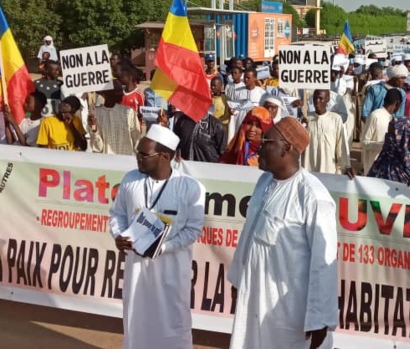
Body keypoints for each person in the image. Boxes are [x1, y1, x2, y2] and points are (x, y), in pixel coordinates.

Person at [229, 117, 338, 349]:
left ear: (286, 148)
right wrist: (238, 280)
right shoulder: (264, 182)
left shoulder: (312, 196)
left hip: (288, 311)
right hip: (254, 297)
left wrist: (319, 319)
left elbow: (324, 263)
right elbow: (249, 234)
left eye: (266, 141)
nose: (259, 146)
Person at [109, 125, 205, 349]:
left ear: (164, 157)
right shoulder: (130, 180)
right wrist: (119, 235)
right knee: (136, 320)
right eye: (137, 152)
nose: (138, 158)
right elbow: (117, 214)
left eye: (144, 154)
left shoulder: (191, 187)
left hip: (172, 270)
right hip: (137, 269)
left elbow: (193, 230)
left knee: (174, 324)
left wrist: (163, 247)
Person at [302, 90, 351, 175]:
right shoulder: (307, 119)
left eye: (320, 98)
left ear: (327, 99)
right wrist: (301, 128)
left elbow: (341, 146)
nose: (317, 101)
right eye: (315, 98)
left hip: (329, 172)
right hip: (309, 172)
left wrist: (341, 169)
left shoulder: (335, 119)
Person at [88, 80, 140, 155]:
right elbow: (98, 148)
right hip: (108, 160)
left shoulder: (128, 113)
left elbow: (137, 141)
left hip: (124, 159)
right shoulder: (96, 114)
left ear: (104, 95)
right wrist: (94, 128)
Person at [358, 89, 403, 175]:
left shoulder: (392, 119)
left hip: (386, 169)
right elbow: (363, 142)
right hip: (372, 167)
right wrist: (383, 145)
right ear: (397, 104)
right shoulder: (375, 116)